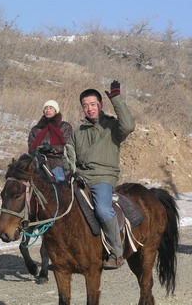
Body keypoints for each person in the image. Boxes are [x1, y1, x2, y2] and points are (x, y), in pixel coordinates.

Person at [66, 80, 135, 269]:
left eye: (93, 104)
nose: (89, 109)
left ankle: (116, 252)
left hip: (103, 177)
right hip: (80, 177)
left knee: (103, 210)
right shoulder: (77, 132)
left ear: (100, 105)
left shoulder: (112, 127)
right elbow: (68, 155)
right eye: (85, 105)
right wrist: (69, 172)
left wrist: (117, 99)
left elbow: (129, 126)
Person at [28, 100, 72, 183]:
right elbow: (31, 145)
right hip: (39, 161)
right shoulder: (36, 129)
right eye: (46, 108)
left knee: (60, 182)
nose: (48, 110)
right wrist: (34, 151)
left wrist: (51, 148)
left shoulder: (65, 126)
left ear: (55, 110)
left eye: (51, 108)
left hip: (57, 162)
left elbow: (67, 146)